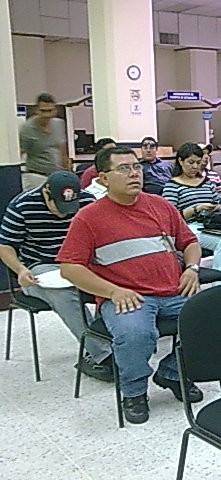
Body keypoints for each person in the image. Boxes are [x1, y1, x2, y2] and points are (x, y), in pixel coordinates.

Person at [57, 147, 203, 425]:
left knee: (214, 316)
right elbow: (69, 267)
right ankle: (134, 393)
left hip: (172, 291)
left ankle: (173, 372)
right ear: (103, 178)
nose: (134, 173)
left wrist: (192, 268)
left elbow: (190, 242)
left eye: (136, 167)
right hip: (126, 297)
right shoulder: (88, 217)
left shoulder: (161, 206)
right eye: (124, 169)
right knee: (136, 333)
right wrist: (112, 291)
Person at [0, 171, 113, 381]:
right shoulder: (22, 205)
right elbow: (5, 246)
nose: (64, 213)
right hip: (39, 267)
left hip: (79, 262)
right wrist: (20, 270)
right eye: (59, 207)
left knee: (114, 282)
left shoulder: (87, 201)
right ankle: (104, 355)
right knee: (65, 295)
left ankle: (119, 344)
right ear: (46, 192)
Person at [161, 142, 221, 283]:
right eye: (191, 162)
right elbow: (171, 219)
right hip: (188, 227)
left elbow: (217, 202)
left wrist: (215, 207)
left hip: (210, 223)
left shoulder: (206, 182)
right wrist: (197, 209)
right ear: (180, 161)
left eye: (198, 162)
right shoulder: (172, 186)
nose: (195, 166)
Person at [20, 93, 69, 190]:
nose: (46, 115)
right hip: (36, 175)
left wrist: (67, 172)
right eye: (43, 111)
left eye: (50, 111)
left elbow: (62, 150)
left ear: (55, 110)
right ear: (36, 110)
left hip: (56, 176)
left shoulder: (59, 124)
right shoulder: (27, 128)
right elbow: (20, 151)